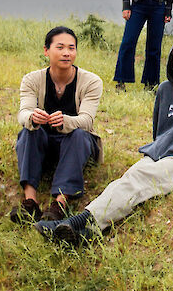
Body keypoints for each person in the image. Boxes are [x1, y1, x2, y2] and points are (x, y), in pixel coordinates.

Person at [36, 39, 173, 244]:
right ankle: (83, 230)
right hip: (161, 153)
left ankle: (81, 224)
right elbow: (159, 130)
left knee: (140, 179)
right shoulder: (165, 90)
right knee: (128, 178)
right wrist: (157, 151)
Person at [10, 26, 103, 223]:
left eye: (71, 48)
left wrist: (66, 121)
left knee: (78, 134)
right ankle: (30, 202)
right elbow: (23, 113)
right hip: (44, 143)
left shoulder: (92, 82)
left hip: (77, 144)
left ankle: (59, 204)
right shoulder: (31, 79)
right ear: (46, 51)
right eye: (60, 47)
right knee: (29, 131)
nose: (66, 53)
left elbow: (87, 121)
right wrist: (33, 118)